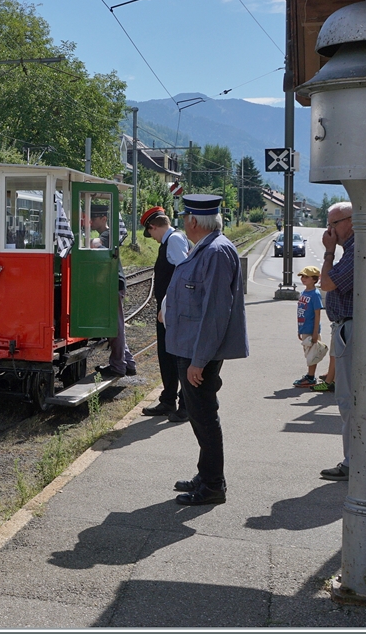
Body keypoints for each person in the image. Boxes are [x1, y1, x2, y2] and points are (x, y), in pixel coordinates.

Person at [164, 194, 249, 505]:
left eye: (185, 216)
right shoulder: (207, 248)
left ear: (194, 221)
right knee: (200, 417)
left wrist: (198, 361)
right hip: (189, 347)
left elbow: (215, 311)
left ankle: (212, 486)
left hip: (198, 352)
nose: (184, 221)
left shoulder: (215, 252)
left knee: (204, 416)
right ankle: (207, 475)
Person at [139, 206, 190, 422]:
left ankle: (184, 404)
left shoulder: (175, 240)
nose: (152, 237)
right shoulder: (171, 241)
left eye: (150, 233)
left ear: (153, 227)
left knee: (177, 356)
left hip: (173, 308)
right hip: (167, 307)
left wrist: (167, 306)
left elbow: (184, 274)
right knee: (166, 355)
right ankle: (168, 399)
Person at [318, 202, 354, 481]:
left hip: (351, 331)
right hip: (347, 329)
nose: (330, 230)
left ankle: (352, 462)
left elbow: (327, 283)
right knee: (348, 398)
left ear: (351, 221)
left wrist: (328, 252)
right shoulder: (352, 250)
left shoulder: (356, 250)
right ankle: (353, 460)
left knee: (348, 399)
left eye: (334, 224)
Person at [90, 204, 136, 378]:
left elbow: (94, 244)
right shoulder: (108, 234)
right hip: (112, 283)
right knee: (115, 325)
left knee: (115, 327)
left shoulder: (109, 234)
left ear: (104, 219)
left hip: (113, 284)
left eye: (93, 219)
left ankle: (118, 366)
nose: (91, 222)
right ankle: (128, 363)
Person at [293, 266, 326, 388]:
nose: (303, 278)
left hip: (312, 330)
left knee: (312, 354)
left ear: (314, 279)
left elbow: (317, 314)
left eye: (306, 276)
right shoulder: (304, 293)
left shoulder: (315, 294)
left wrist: (315, 332)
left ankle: (311, 377)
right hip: (304, 329)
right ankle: (309, 375)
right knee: (307, 354)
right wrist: (299, 330)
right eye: (302, 276)